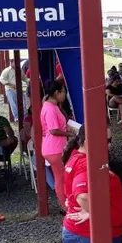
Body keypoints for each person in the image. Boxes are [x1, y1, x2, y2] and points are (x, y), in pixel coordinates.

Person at [42, 81, 74, 209]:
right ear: (56, 93)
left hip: (56, 147)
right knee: (61, 178)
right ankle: (65, 207)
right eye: (63, 92)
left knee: (62, 176)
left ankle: (67, 204)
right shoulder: (49, 108)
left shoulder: (52, 105)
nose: (65, 95)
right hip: (54, 148)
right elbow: (53, 130)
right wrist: (71, 135)